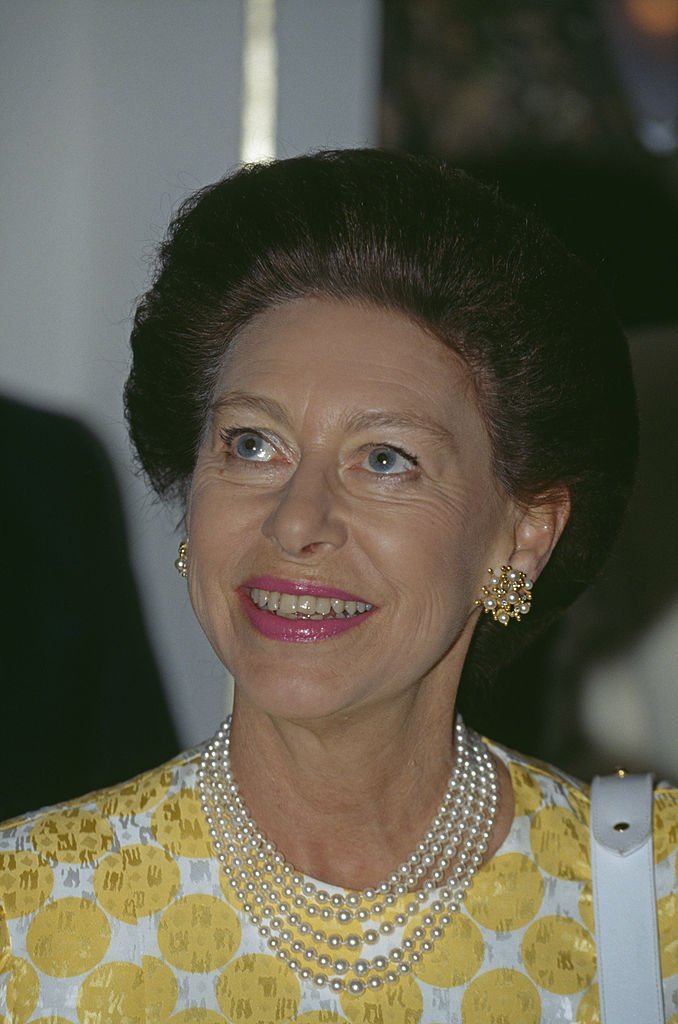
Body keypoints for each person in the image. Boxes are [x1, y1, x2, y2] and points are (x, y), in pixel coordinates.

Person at [0, 149, 675, 1022]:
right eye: (252, 445)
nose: (295, 519)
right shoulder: (25, 911)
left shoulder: (651, 906)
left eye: (386, 460)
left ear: (524, 533)